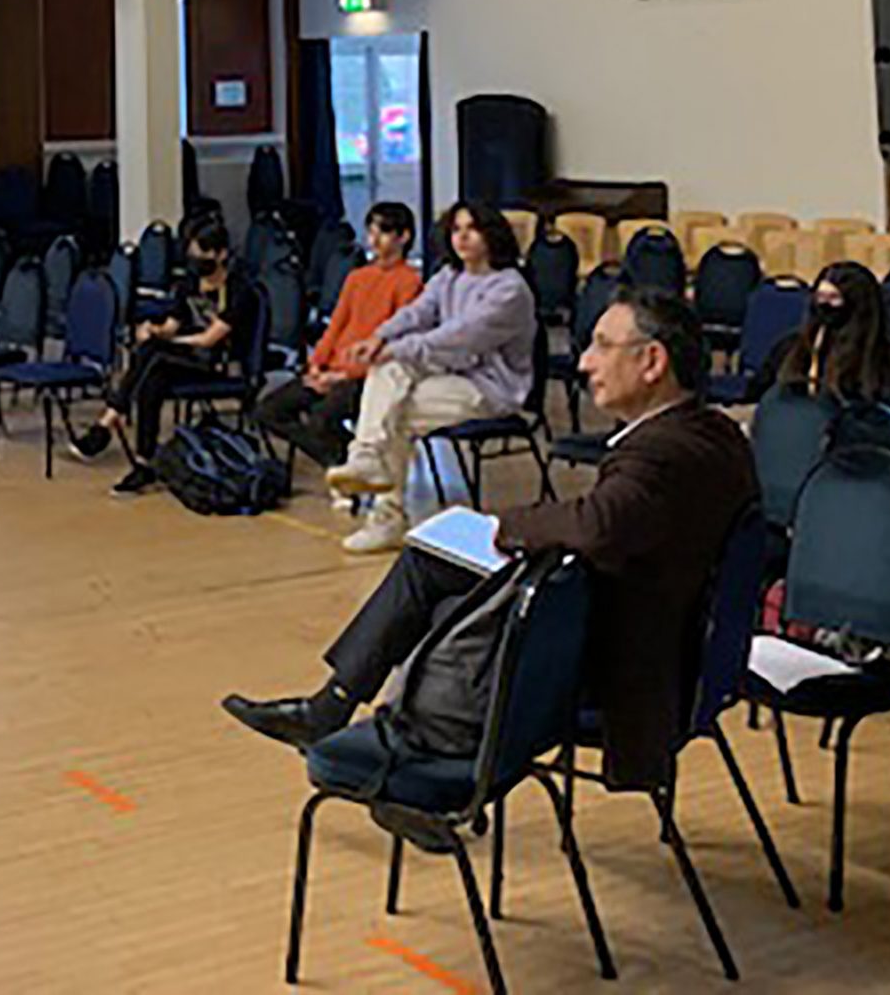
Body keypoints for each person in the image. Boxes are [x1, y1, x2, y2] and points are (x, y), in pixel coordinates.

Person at [224, 289, 756, 792]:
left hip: (628, 670)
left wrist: (506, 527)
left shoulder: (663, 452)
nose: (585, 362)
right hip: (671, 647)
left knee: (448, 602)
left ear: (652, 361)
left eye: (602, 345)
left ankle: (404, 758)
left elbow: (599, 525)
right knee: (437, 573)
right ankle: (354, 721)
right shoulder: (710, 432)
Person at [322, 203, 538, 552]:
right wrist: (379, 338)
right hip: (449, 374)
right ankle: (366, 458)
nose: (462, 237)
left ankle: (385, 513)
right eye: (456, 230)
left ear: (492, 235)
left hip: (490, 389)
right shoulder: (449, 276)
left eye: (472, 229)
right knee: (388, 378)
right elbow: (417, 313)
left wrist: (395, 348)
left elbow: (459, 336)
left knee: (393, 411)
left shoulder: (509, 289)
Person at [71, 219, 264, 497]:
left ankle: (108, 421)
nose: (196, 260)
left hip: (217, 363)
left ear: (221, 254)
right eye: (192, 254)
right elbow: (172, 325)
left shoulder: (239, 290)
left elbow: (210, 339)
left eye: (202, 254)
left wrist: (167, 342)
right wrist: (153, 329)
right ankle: (144, 462)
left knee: (155, 354)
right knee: (152, 378)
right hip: (182, 358)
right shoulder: (188, 284)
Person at [253, 202, 422, 467]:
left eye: (384, 232)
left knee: (322, 418)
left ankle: (348, 462)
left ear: (403, 237)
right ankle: (346, 459)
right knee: (268, 410)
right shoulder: (357, 277)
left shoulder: (409, 282)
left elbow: (395, 341)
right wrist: (316, 365)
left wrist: (343, 375)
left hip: (368, 376)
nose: (374, 239)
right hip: (333, 368)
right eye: (371, 231)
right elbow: (336, 326)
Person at [770, 260, 890, 399]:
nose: (825, 305)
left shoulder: (882, 356)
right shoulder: (791, 346)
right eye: (820, 297)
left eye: (834, 297)